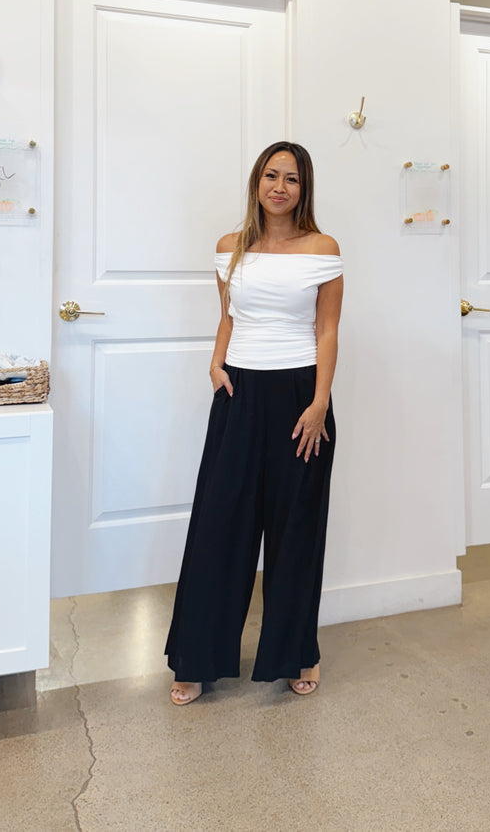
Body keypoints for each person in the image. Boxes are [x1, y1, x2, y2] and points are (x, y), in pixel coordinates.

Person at [165, 141, 343, 705]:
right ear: (257, 182)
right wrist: (215, 363)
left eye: (292, 179)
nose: (280, 187)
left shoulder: (323, 248)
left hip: (299, 399)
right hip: (239, 393)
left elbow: (327, 331)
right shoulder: (229, 248)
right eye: (272, 175)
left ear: (303, 188)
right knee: (220, 528)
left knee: (295, 531)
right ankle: (197, 657)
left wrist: (319, 403)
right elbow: (228, 317)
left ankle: (298, 653)